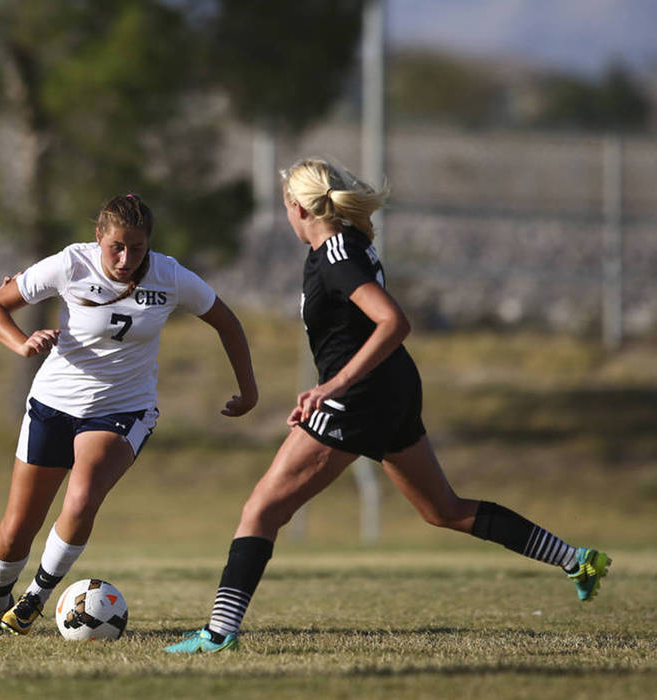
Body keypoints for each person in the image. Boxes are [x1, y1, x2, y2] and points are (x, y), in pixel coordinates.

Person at [163, 158, 612, 654]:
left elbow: (393, 322)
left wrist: (331, 387)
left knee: (261, 511)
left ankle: (219, 632)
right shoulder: (341, 244)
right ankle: (577, 559)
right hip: (390, 391)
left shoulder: (336, 255)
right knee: (443, 509)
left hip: (360, 398)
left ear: (295, 206)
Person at [0, 193, 259, 638]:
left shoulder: (170, 275)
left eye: (136, 248)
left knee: (82, 498)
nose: (125, 258)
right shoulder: (70, 264)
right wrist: (21, 343)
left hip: (123, 408)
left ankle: (35, 599)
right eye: (116, 247)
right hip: (52, 403)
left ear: (149, 245)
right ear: (98, 237)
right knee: (18, 526)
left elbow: (227, 321)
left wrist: (249, 389)